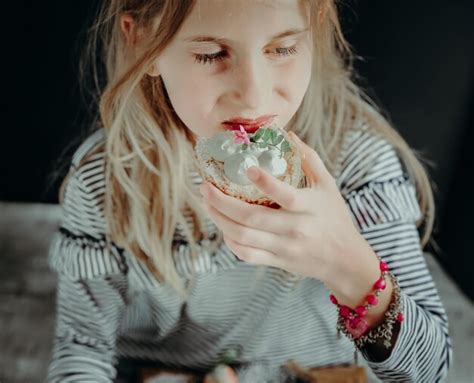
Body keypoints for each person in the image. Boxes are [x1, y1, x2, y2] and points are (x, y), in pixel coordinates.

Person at [46, 0, 453, 382]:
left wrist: (348, 265)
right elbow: (83, 345)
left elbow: (429, 369)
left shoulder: (356, 160)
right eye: (211, 54)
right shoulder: (107, 178)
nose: (255, 95)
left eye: (283, 48)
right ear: (142, 43)